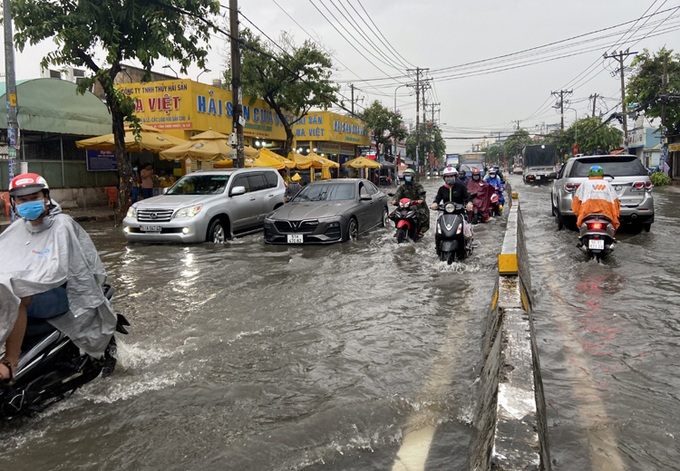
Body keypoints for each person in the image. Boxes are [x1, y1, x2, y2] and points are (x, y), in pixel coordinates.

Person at [0, 173, 117, 382]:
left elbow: (60, 270)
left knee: (17, 295)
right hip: (26, 288)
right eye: (22, 200)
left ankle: (11, 363)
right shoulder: (17, 228)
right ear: (14, 202)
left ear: (46, 196)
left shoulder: (62, 225)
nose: (28, 203)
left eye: (34, 197)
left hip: (60, 293)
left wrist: (22, 282)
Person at [571, 165, 621, 231]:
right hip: (606, 214)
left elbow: (576, 205)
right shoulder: (607, 185)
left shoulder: (584, 184)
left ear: (589, 175)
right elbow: (616, 204)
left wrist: (579, 215)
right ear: (602, 175)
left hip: (586, 214)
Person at [390, 168, 429, 236]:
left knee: (423, 216)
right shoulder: (402, 187)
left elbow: (422, 193)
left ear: (412, 176)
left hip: (416, 205)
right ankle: (398, 229)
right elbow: (398, 194)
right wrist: (394, 200)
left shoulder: (418, 186)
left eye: (409, 176)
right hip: (404, 205)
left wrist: (420, 200)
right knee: (392, 215)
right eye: (406, 176)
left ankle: (420, 230)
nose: (407, 177)